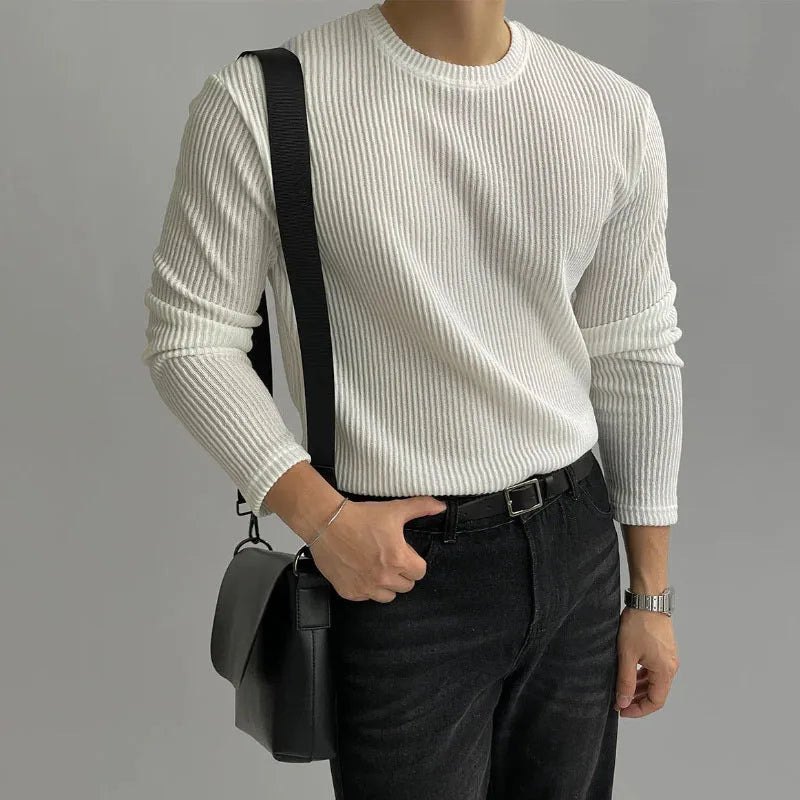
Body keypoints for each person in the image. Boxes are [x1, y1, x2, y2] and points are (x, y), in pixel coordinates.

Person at [141, 2, 682, 797]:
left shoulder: (611, 109)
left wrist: (650, 595)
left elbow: (635, 350)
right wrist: (324, 520)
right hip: (400, 569)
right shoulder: (261, 102)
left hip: (577, 547)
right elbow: (190, 339)